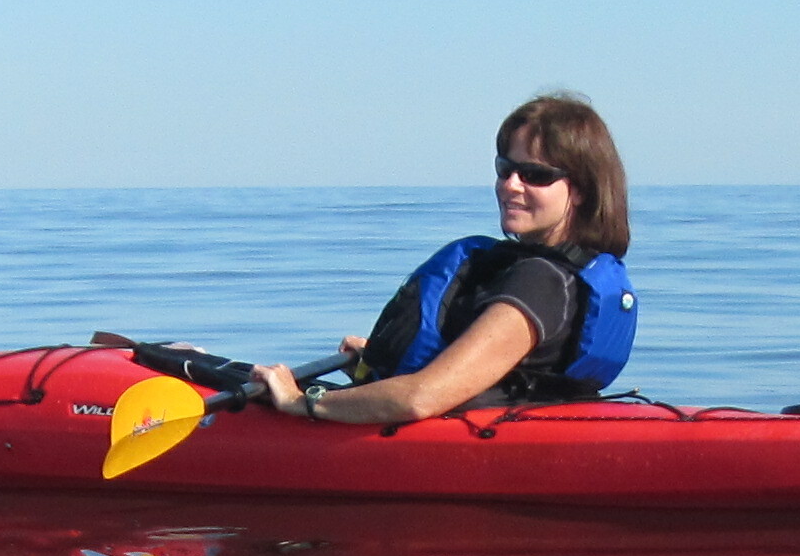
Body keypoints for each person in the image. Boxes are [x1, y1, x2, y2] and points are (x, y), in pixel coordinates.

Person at [247, 94, 636, 425]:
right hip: (508, 419)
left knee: (240, 383)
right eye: (506, 169)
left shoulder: (539, 281)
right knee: (198, 363)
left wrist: (302, 403)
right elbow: (506, 378)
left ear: (582, 189)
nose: (510, 185)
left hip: (458, 433)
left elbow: (421, 398)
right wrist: (380, 364)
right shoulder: (563, 271)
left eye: (535, 175)